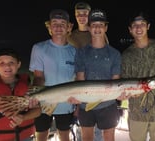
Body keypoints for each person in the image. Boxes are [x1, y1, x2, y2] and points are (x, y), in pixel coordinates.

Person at [121, 11, 155, 141]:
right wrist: (129, 93)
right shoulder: (126, 55)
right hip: (136, 112)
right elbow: (125, 84)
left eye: (142, 24)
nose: (139, 28)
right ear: (130, 29)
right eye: (135, 25)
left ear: (148, 26)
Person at [71, 9, 122, 141]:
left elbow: (115, 81)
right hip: (85, 104)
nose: (97, 28)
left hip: (108, 104)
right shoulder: (81, 53)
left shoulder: (115, 54)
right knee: (87, 138)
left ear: (106, 27)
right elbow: (80, 79)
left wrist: (120, 94)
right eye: (94, 25)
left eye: (101, 24)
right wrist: (77, 102)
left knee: (109, 137)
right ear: (89, 28)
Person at [29, 9, 76, 141]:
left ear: (69, 27)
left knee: (64, 136)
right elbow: (38, 77)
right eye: (55, 23)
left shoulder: (75, 52)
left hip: (66, 104)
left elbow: (76, 80)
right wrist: (34, 96)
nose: (59, 27)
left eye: (63, 23)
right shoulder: (39, 48)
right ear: (49, 26)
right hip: (44, 104)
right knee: (42, 135)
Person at [0, 48, 40, 141]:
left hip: (25, 137)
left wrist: (23, 117)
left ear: (18, 65)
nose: (7, 66)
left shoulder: (28, 87)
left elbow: (37, 111)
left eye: (11, 63)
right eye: (1, 63)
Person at [68, 2, 104, 141]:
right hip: (74, 87)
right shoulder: (70, 36)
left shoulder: (97, 33)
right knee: (79, 131)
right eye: (78, 14)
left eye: (85, 14)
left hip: (94, 89)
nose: (82, 17)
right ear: (75, 16)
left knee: (96, 131)